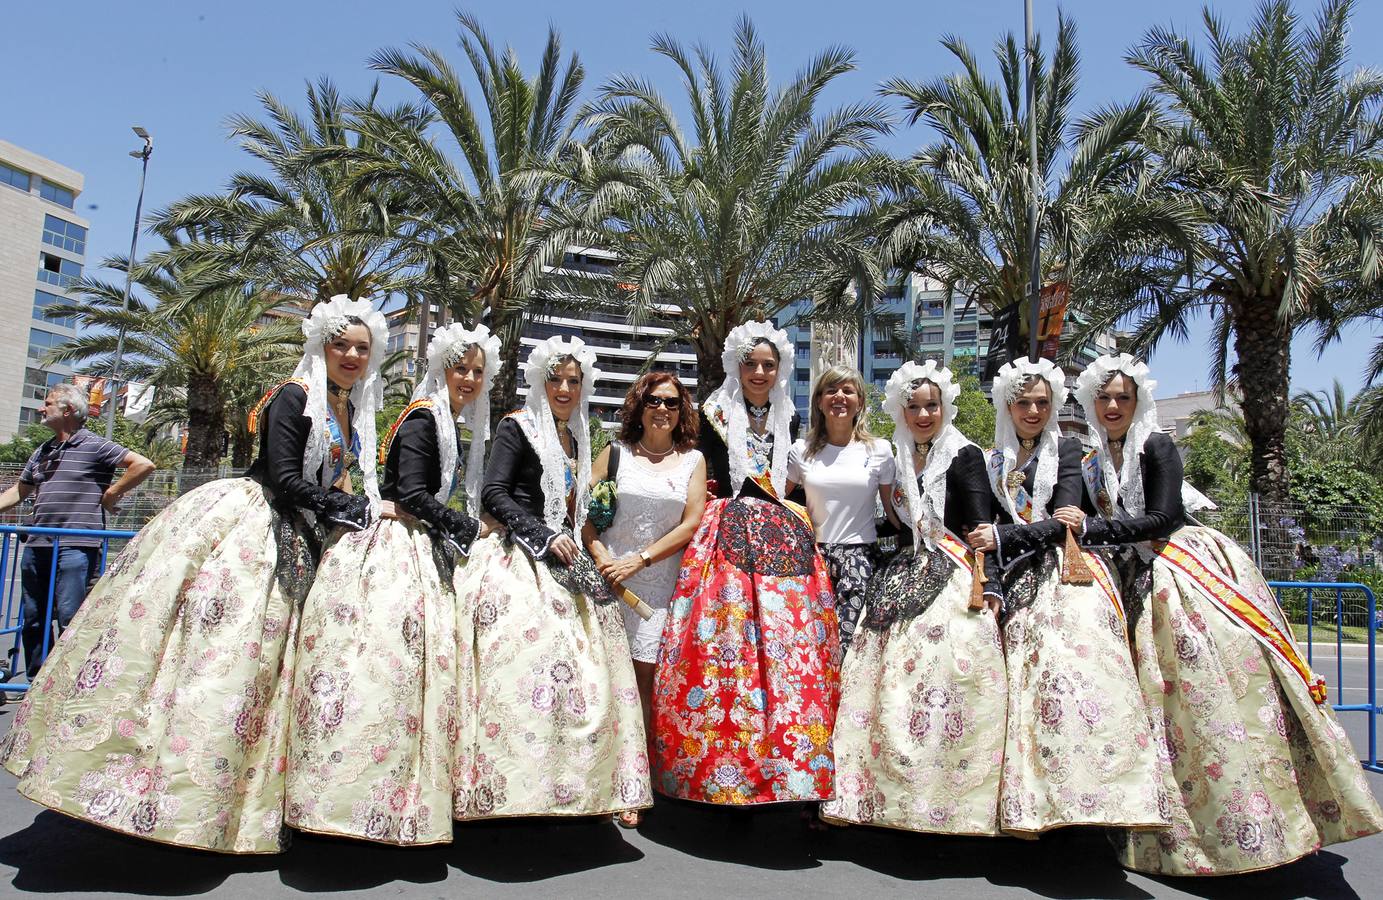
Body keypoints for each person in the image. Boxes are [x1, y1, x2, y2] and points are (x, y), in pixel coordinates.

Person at [0, 295, 386, 853]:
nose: (351, 355)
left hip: (299, 539)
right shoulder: (294, 396)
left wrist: (357, 512)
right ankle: (168, 793)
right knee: (217, 658)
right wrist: (341, 508)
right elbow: (280, 476)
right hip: (251, 528)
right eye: (341, 344)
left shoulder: (344, 407)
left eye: (361, 349)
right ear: (319, 345)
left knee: (265, 670)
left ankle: (242, 805)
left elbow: (335, 475)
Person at [1066, 353, 1383, 876]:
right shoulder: (1092, 460)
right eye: (1104, 397)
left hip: (1182, 572)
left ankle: (1263, 826)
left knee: (1214, 694)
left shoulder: (1156, 444)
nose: (1113, 405)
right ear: (1092, 403)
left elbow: (1164, 517)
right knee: (1158, 708)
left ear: (1137, 399)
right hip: (1135, 579)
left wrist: (1091, 530)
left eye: (1122, 396)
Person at [287, 322, 500, 846]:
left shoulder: (443, 419)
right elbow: (409, 494)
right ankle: (353, 792)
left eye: (478, 371)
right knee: (381, 666)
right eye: (461, 368)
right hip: (391, 548)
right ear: (442, 369)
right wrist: (467, 527)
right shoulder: (426, 418)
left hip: (412, 546)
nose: (469, 378)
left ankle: (397, 792)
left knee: (406, 672)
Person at [452, 336, 651, 821]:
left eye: (573, 381)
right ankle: (515, 788)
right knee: (524, 668)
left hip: (569, 562)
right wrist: (540, 534)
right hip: (518, 558)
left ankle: (581, 787)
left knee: (589, 677)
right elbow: (494, 495)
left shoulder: (578, 437)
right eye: (556, 379)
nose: (564, 388)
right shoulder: (515, 427)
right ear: (540, 381)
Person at [966, 358, 1164, 836]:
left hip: (1064, 571)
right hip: (1015, 578)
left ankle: (1100, 789)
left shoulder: (1069, 450)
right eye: (1023, 402)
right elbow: (984, 533)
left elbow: (1065, 521)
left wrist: (1006, 536)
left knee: (1075, 666)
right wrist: (992, 578)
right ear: (1007, 406)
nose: (1033, 411)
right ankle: (1028, 801)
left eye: (1042, 402)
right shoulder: (991, 459)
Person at [652, 321, 840, 808]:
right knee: (726, 653)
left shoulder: (788, 415)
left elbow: (788, 481)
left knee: (786, 654)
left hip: (782, 545)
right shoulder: (714, 412)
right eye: (752, 364)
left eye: (769, 365)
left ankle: (784, 769)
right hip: (725, 543)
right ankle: (718, 769)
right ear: (737, 365)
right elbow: (704, 474)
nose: (759, 372)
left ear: (779, 370)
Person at [821, 361, 1006, 834]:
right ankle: (881, 795)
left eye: (931, 406)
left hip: (955, 573)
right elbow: (893, 522)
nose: (923, 414)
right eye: (914, 406)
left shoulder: (963, 455)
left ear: (945, 407)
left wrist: (992, 586)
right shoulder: (898, 455)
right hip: (905, 569)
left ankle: (946, 799)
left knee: (945, 678)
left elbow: (981, 529)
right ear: (900, 410)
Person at [583, 371, 706, 828]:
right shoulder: (615, 454)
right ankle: (600, 779)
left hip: (655, 587)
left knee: (644, 685)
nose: (662, 409)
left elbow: (691, 523)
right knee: (602, 680)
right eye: (654, 400)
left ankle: (635, 785)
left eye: (672, 403)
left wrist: (641, 560)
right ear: (640, 405)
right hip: (607, 581)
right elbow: (584, 511)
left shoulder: (693, 460)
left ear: (682, 412)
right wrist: (601, 556)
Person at [0, 383, 155, 678]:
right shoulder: (42, 451)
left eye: (47, 404)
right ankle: (37, 680)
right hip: (38, 544)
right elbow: (17, 492)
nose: (40, 409)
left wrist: (112, 493)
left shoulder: (94, 445)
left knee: (71, 617)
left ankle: (69, 681)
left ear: (68, 410)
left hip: (76, 545)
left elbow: (143, 464)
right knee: (33, 618)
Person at [787, 366, 894, 651]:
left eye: (848, 391)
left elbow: (894, 511)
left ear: (860, 401)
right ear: (819, 401)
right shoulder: (801, 450)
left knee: (849, 650)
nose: (840, 397)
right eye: (831, 390)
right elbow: (774, 502)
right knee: (810, 647)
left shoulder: (880, 450)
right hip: (812, 560)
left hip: (862, 561)